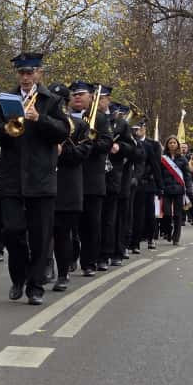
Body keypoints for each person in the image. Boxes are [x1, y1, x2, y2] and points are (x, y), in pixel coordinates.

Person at [0, 52, 69, 306]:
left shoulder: (50, 101)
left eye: (30, 72)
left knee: (41, 236)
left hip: (41, 180)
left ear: (39, 73)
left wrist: (39, 119)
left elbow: (63, 131)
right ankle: (18, 278)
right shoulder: (4, 100)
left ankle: (35, 285)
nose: (25, 77)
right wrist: (6, 129)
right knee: (12, 231)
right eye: (21, 72)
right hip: (11, 178)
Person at [68, 81, 112, 276]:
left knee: (91, 223)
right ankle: (68, 258)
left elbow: (106, 143)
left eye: (81, 94)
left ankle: (89, 262)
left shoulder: (100, 119)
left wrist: (87, 144)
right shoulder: (64, 116)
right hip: (69, 178)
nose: (77, 97)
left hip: (92, 179)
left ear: (91, 97)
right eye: (74, 94)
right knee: (68, 223)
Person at [50, 83, 90, 292]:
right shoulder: (42, 124)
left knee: (63, 234)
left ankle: (63, 273)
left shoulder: (80, 125)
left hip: (68, 188)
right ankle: (44, 267)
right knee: (40, 233)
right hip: (43, 185)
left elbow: (82, 154)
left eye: (60, 102)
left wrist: (61, 150)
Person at [106, 102, 135, 266]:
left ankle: (117, 250)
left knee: (117, 217)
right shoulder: (98, 120)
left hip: (120, 178)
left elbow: (135, 152)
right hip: (101, 177)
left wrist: (120, 146)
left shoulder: (123, 126)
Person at [128, 120, 156, 254]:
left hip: (145, 183)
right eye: (134, 128)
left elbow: (154, 165)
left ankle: (144, 240)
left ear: (144, 128)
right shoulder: (128, 142)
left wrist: (159, 185)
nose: (137, 130)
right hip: (130, 182)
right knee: (132, 214)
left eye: (139, 127)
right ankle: (131, 242)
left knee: (146, 215)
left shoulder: (152, 145)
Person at [160, 136, 189, 245]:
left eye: (174, 143)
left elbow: (187, 176)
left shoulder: (183, 159)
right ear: (167, 145)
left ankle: (176, 237)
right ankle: (168, 231)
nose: (172, 144)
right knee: (167, 214)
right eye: (170, 143)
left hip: (179, 190)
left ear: (177, 145)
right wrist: (161, 186)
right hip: (166, 190)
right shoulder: (162, 159)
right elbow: (160, 174)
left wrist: (189, 189)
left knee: (177, 215)